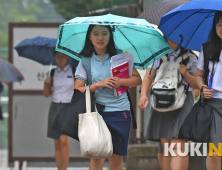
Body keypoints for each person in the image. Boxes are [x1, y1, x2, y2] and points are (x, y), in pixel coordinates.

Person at [74, 24, 142, 170]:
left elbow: (137, 79)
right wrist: (97, 84)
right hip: (97, 114)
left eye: (104, 33)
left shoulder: (121, 56)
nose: (100, 38)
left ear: (110, 36)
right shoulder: (85, 61)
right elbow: (77, 89)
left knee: (117, 159)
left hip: (121, 112)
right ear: (90, 37)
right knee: (97, 157)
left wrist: (121, 81)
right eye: (96, 34)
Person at [138, 39, 198, 170]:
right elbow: (148, 77)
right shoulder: (157, 55)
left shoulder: (191, 57)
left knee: (178, 145)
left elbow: (196, 84)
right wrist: (143, 95)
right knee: (166, 146)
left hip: (183, 102)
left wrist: (185, 74)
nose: (174, 38)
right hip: (161, 102)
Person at [195, 11, 222, 170]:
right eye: (220, 25)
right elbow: (199, 76)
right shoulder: (207, 48)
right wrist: (202, 87)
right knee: (215, 152)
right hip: (214, 104)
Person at [43, 52, 74, 170]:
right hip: (55, 107)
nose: (60, 59)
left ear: (68, 57)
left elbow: (79, 90)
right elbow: (46, 94)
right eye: (57, 57)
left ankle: (64, 168)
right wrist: (46, 83)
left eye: (62, 56)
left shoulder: (74, 71)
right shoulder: (52, 72)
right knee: (56, 142)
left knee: (64, 140)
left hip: (68, 107)